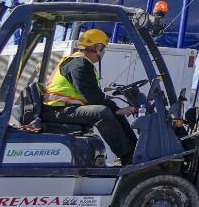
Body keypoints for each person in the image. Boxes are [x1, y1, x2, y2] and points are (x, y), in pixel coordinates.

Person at [42, 28, 138, 163]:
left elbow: (93, 93)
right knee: (102, 112)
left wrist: (116, 110)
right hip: (57, 110)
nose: (103, 52)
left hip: (64, 109)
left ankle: (135, 151)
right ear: (97, 47)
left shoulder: (81, 62)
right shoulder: (78, 64)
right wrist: (116, 108)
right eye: (103, 48)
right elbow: (91, 95)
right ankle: (127, 157)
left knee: (113, 112)